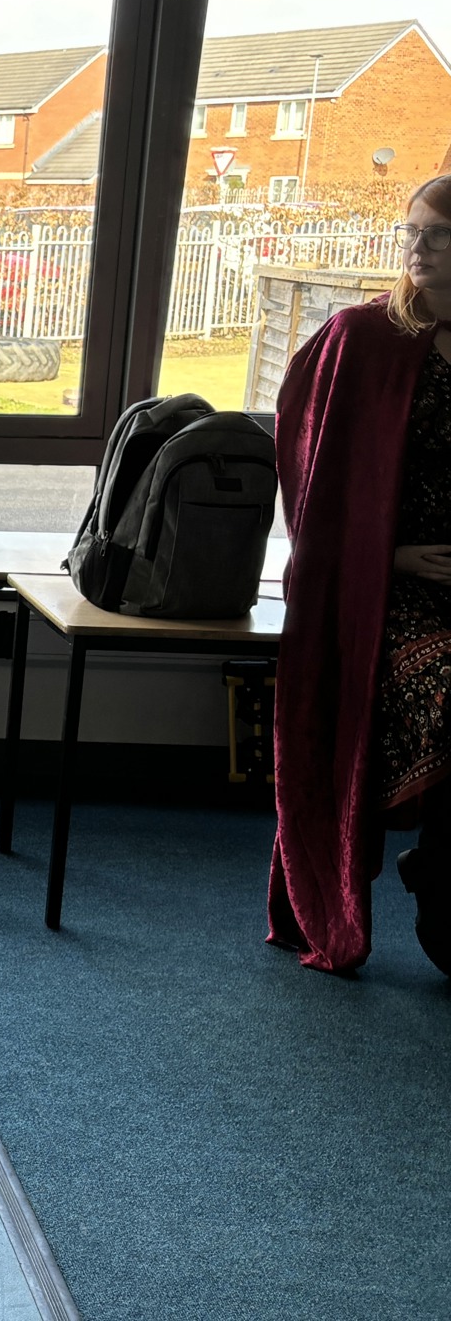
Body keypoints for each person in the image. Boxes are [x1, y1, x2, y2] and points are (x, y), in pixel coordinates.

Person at [271, 173, 451, 976]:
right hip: (387, 589)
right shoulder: (361, 338)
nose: (419, 246)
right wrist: (393, 553)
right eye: (413, 229)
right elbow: (319, 489)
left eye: (441, 234)